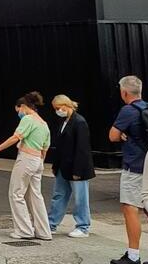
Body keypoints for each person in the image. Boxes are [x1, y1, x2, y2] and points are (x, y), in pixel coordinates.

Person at [0, 91, 51, 242]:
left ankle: (24, 230)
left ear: (22, 106)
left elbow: (16, 137)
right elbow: (45, 148)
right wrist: (40, 162)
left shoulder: (28, 119)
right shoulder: (44, 123)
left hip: (26, 158)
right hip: (38, 160)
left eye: (18, 110)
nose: (18, 114)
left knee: (16, 193)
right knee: (36, 195)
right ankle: (43, 231)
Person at [110, 76, 148, 264]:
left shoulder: (128, 110)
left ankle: (133, 256)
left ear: (124, 92)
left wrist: (123, 134)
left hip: (135, 166)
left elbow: (112, 136)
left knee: (130, 208)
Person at [48, 94, 94, 238]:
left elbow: (82, 148)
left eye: (58, 107)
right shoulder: (64, 121)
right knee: (59, 195)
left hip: (76, 167)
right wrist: (56, 165)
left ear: (66, 105)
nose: (57, 111)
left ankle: (83, 226)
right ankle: (51, 224)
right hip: (63, 166)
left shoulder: (79, 122)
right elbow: (60, 146)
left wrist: (78, 170)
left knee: (80, 198)